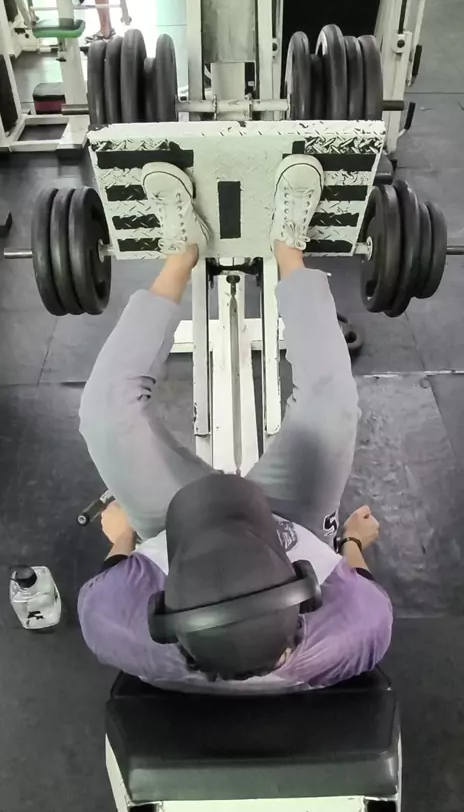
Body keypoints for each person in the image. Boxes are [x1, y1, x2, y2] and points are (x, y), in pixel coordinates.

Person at [78, 156, 393, 694]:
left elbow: (114, 573)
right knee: (331, 400)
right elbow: (359, 581)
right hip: (290, 521)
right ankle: (288, 247)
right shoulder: (359, 627)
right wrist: (350, 543)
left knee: (106, 414)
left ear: (163, 607)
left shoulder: (114, 624)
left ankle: (183, 252)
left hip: (176, 527)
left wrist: (124, 538)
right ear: (302, 592)